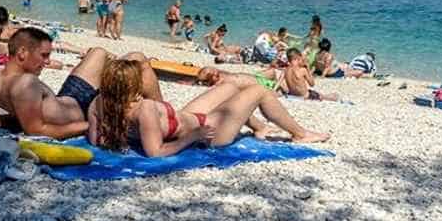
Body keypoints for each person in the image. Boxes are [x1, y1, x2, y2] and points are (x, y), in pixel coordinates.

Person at [88, 59, 329, 155]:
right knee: (259, 91)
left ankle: (259, 127)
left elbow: (95, 140)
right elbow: (155, 153)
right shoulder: (145, 109)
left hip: (186, 117)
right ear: (132, 85)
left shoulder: (99, 102)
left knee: (231, 85)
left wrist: (119, 136)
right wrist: (193, 136)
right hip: (208, 131)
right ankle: (300, 134)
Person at [0, 27, 163, 139]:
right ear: (22, 53)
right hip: (85, 110)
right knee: (139, 60)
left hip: (70, 97)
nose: (47, 62)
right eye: (43, 55)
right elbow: (37, 131)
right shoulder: (26, 83)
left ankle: (119, 75)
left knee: (98, 52)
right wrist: (91, 124)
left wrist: (19, 118)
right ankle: (164, 118)